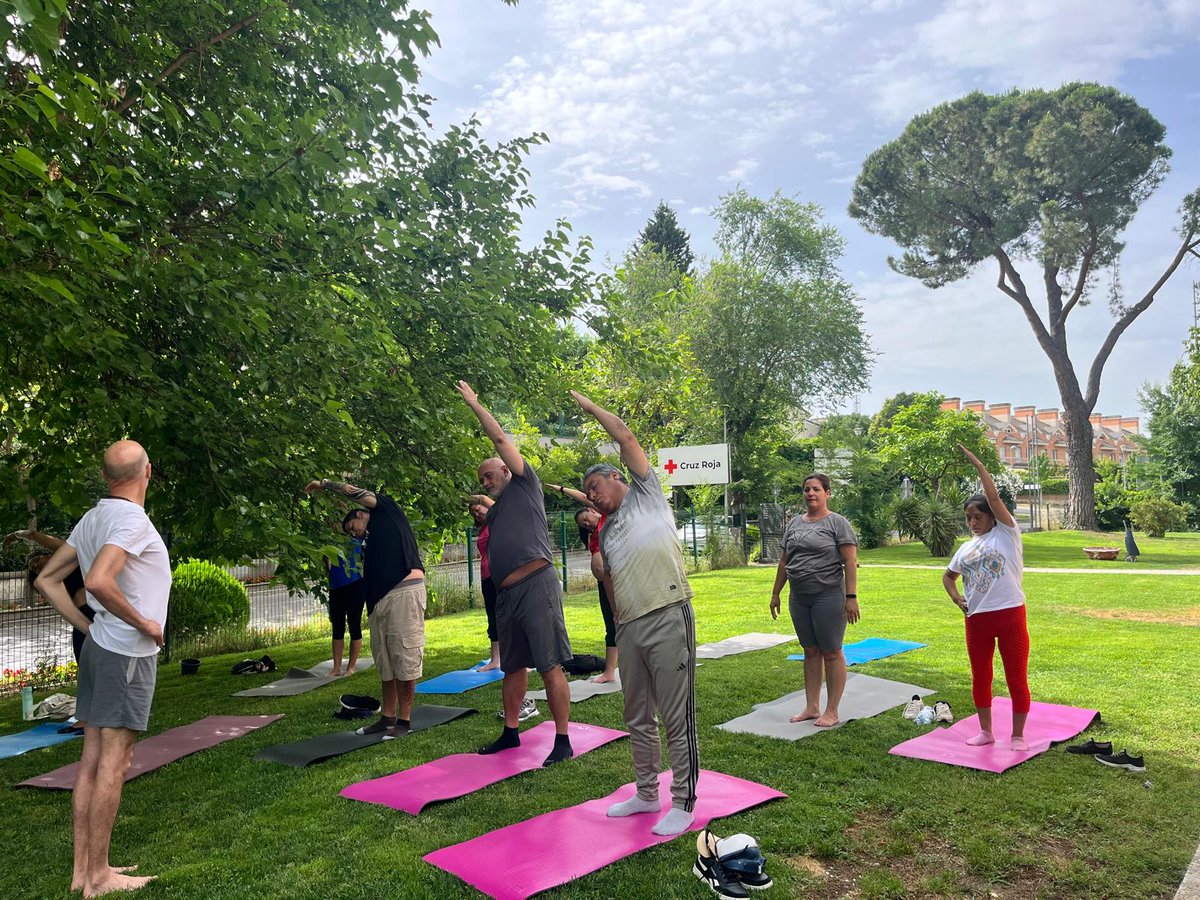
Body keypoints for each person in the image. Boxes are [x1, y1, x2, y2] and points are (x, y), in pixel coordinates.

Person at [34, 440, 170, 898]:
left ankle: (85, 870)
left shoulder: (94, 517)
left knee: (92, 760)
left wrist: (88, 627)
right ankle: (98, 878)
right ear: (147, 471)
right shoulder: (131, 520)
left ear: (106, 477)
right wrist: (145, 624)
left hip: (100, 648)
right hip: (126, 654)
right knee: (115, 761)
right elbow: (97, 581)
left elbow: (46, 579)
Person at [572, 390, 699, 837]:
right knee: (638, 716)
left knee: (677, 715)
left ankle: (683, 801)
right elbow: (609, 583)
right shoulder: (606, 534)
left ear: (615, 476)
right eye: (588, 495)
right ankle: (647, 793)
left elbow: (625, 437)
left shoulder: (647, 494)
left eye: (595, 488)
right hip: (629, 626)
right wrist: (619, 623)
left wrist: (592, 409)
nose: (593, 497)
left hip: (668, 614)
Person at [455, 380, 574, 767]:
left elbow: (500, 438)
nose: (485, 482)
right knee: (512, 667)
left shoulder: (525, 483)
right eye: (481, 480)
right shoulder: (497, 511)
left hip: (536, 585)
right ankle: (510, 733)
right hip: (506, 595)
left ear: (506, 470)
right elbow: (484, 509)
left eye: (489, 476)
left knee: (549, 664)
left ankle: (562, 740)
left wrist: (474, 405)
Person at [304, 477, 425, 738]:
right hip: (378, 601)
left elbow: (354, 492)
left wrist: (326, 484)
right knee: (386, 663)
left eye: (352, 527)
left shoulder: (385, 509)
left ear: (360, 514)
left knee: (405, 658)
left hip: (403, 591)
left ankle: (404, 721)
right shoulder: (368, 539)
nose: (353, 533)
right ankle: (387, 717)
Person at [942, 443, 1031, 751]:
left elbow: (993, 497)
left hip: (1009, 614)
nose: (973, 522)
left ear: (992, 517)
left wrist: (978, 465)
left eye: (978, 516)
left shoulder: (1006, 533)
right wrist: (957, 598)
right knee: (981, 676)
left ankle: (1018, 736)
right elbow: (948, 576)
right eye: (968, 517)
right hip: (976, 619)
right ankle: (986, 731)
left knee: (1016, 677)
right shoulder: (966, 548)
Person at [769, 473, 859, 728]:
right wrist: (775, 593)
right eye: (807, 489)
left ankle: (832, 710)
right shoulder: (794, 524)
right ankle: (811, 707)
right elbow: (784, 561)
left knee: (831, 651)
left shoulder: (837, 523)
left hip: (828, 594)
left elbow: (850, 562)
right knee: (810, 650)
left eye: (816, 489)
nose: (810, 493)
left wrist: (851, 597)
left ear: (827, 493)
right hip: (799, 596)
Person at [548, 483, 619, 684]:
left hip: (620, 579)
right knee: (611, 624)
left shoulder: (606, 518)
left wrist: (561, 489)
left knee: (631, 621)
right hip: (604, 584)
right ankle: (609, 672)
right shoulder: (591, 536)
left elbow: (583, 497)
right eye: (582, 524)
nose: (586, 524)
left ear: (593, 511)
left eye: (586, 519)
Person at [469, 500, 502, 672]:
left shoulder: (499, 521)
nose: (476, 514)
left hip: (502, 575)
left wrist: (483, 498)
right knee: (492, 616)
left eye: (477, 509)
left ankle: (521, 660)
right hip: (487, 577)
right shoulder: (482, 529)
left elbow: (502, 507)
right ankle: (495, 660)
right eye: (473, 513)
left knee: (511, 615)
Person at [326, 535, 365, 677]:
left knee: (354, 624)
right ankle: (336, 667)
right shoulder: (330, 539)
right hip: (336, 587)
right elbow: (326, 559)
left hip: (356, 585)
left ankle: (351, 667)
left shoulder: (359, 538)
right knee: (337, 627)